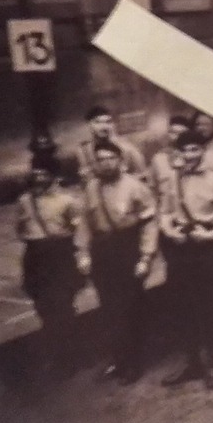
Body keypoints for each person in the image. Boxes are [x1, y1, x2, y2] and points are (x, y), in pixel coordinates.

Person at [157, 129, 213, 390]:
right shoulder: (173, 180)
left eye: (195, 149)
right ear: (179, 154)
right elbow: (164, 212)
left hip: (209, 247)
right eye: (186, 151)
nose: (191, 155)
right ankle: (192, 363)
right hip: (182, 247)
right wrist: (171, 231)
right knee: (182, 307)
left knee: (208, 308)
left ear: (202, 151)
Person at [76, 140, 160, 385]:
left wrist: (146, 257)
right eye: (100, 159)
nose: (106, 163)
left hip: (128, 248)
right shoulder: (91, 188)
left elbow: (149, 224)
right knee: (109, 308)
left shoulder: (135, 187)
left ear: (120, 161)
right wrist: (82, 253)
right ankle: (119, 359)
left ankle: (134, 361)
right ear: (95, 164)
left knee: (130, 308)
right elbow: (84, 223)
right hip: (103, 252)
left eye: (110, 158)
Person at [16, 150, 86, 378]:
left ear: (53, 177)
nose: (37, 178)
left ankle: (70, 357)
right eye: (34, 173)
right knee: (43, 309)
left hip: (60, 257)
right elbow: (21, 230)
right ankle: (56, 354)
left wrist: (82, 258)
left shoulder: (67, 201)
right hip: (36, 257)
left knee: (63, 308)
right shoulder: (25, 201)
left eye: (43, 174)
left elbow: (79, 232)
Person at [75, 105, 147, 181]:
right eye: (98, 122)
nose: (104, 126)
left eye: (108, 122)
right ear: (89, 125)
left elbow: (143, 175)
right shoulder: (84, 150)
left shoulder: (127, 148)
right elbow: (86, 177)